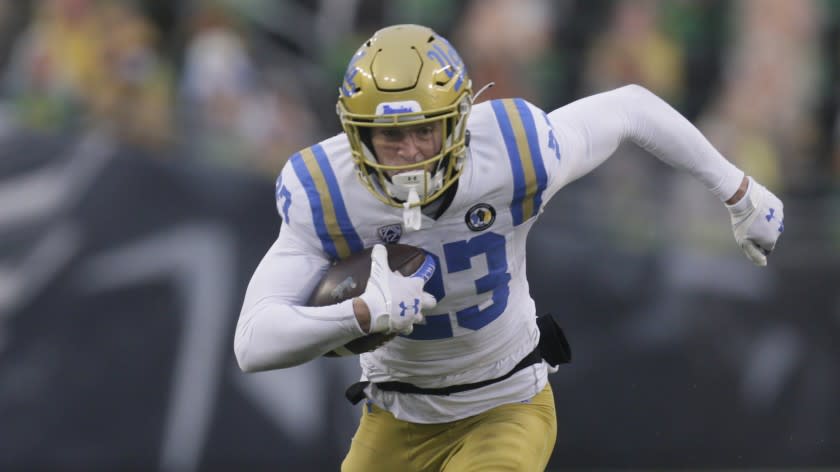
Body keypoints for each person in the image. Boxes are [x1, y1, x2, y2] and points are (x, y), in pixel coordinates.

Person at [234, 24, 784, 471]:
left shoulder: (513, 152)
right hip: (395, 418)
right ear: (358, 137)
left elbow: (630, 108)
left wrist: (738, 191)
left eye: (425, 131)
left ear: (458, 123)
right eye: (389, 137)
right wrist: (362, 313)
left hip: (504, 403)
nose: (409, 153)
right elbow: (253, 341)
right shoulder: (327, 194)